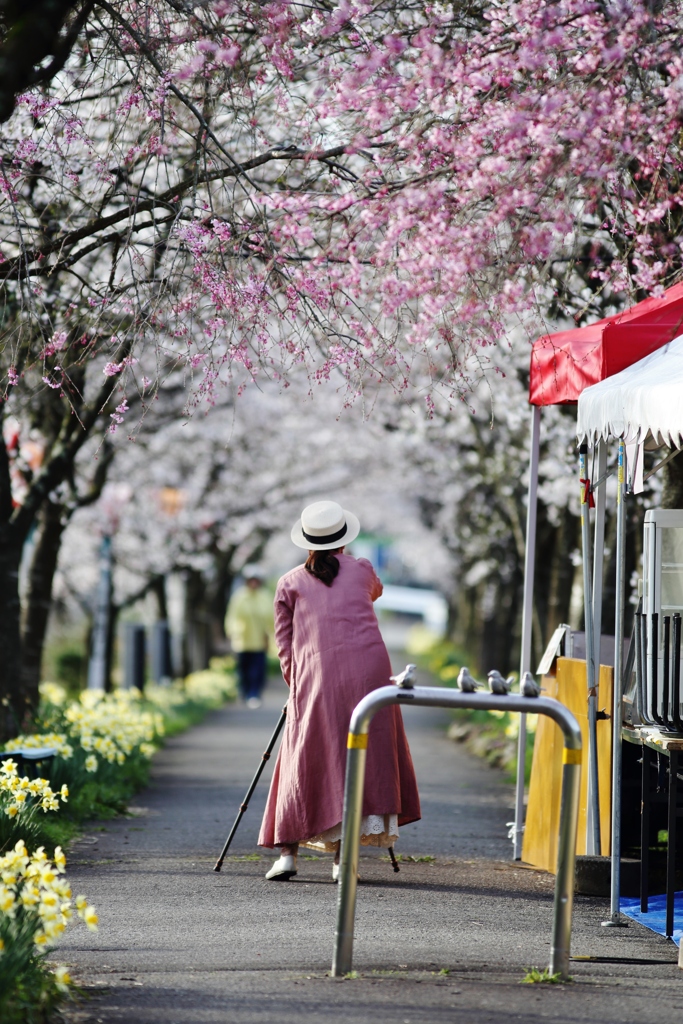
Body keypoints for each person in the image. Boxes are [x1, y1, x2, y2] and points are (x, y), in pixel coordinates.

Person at [258, 500, 421, 881]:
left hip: (315, 674)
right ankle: (341, 861)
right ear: (344, 540)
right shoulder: (362, 569)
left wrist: (297, 687)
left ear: (307, 542)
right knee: (362, 755)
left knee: (302, 755)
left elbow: (285, 646)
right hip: (371, 675)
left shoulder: (289, 582)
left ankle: (287, 855)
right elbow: (373, 593)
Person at [225, 565, 273, 708]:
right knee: (243, 669)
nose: (253, 583)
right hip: (242, 640)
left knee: (257, 670)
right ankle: (244, 692)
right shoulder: (239, 596)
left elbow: (272, 617)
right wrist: (232, 631)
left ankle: (254, 694)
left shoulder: (265, 596)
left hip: (259, 640)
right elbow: (232, 616)